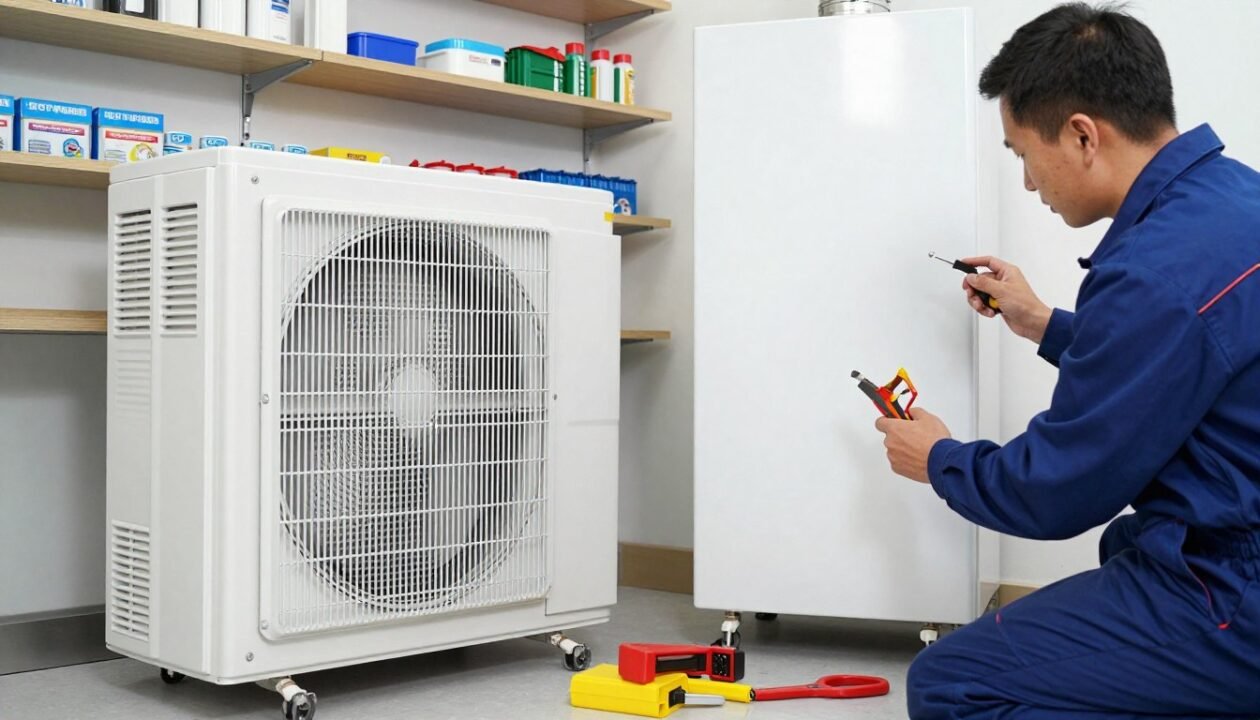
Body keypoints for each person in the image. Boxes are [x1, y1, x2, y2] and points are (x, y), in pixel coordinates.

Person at [873, 3, 1260, 718]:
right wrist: (1045, 324)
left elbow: (1057, 490)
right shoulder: (1236, 200)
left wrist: (938, 458)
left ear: (1082, 134)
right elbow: (1184, 360)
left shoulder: (1152, 271)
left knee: (952, 681)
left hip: (1238, 589)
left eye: (1022, 154)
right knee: (1131, 547)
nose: (1026, 182)